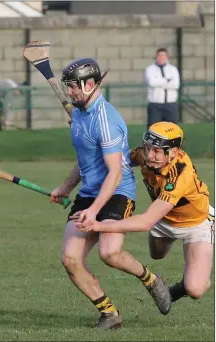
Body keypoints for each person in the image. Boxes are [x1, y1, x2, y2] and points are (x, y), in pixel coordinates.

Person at [50, 58, 171, 330]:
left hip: (117, 192)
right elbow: (85, 159)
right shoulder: (79, 114)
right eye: (66, 87)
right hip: (89, 193)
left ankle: (151, 279)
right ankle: (109, 313)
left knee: (110, 253)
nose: (69, 92)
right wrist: (66, 187)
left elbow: (114, 173)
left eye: (72, 87)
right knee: (70, 259)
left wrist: (94, 212)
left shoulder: (107, 121)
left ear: (90, 84)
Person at [75, 122, 214, 305]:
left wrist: (98, 225)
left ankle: (187, 284)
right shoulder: (144, 155)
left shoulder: (180, 177)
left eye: (157, 151)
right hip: (163, 220)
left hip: (196, 224)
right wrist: (89, 138)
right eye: (148, 148)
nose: (149, 155)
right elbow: (115, 160)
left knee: (195, 289)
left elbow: (146, 222)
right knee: (156, 255)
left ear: (173, 152)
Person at [144, 48, 180, 129]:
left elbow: (175, 85)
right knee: (153, 130)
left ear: (167, 57)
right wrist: (167, 80)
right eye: (159, 55)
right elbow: (151, 83)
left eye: (163, 55)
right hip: (155, 105)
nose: (161, 57)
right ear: (156, 57)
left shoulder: (173, 69)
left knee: (173, 129)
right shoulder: (149, 69)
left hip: (171, 105)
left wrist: (159, 82)